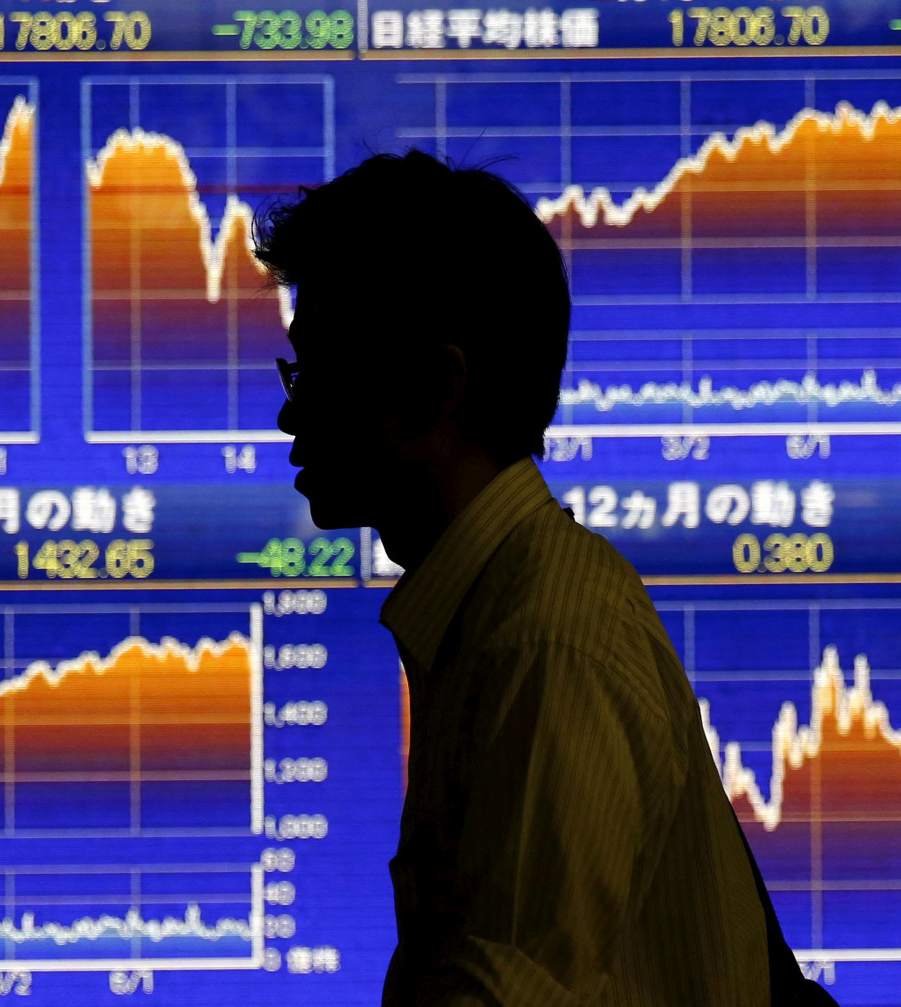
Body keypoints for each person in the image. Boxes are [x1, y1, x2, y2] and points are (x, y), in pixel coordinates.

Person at [255, 151, 811, 1006]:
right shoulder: (509, 603)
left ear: (434, 387)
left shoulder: (543, 642)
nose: (290, 411)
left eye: (317, 369)